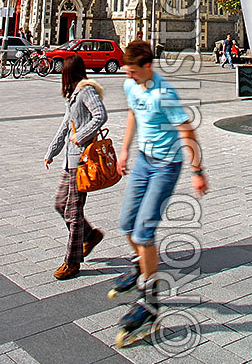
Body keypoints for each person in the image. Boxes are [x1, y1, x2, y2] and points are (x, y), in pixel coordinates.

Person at [111, 40, 208, 343]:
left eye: (132, 72)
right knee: (126, 223)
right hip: (142, 160)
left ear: (147, 67)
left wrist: (197, 171)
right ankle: (141, 262)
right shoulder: (132, 85)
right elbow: (132, 113)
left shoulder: (165, 93)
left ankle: (149, 299)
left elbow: (187, 130)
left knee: (143, 231)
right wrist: (125, 149)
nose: (128, 77)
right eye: (126, 72)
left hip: (167, 165)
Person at [44, 53, 107, 280]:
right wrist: (51, 152)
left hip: (82, 162)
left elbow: (100, 115)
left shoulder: (86, 90)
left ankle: (71, 262)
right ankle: (89, 236)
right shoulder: (72, 94)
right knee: (61, 204)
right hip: (68, 161)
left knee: (73, 211)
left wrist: (81, 136)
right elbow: (64, 125)